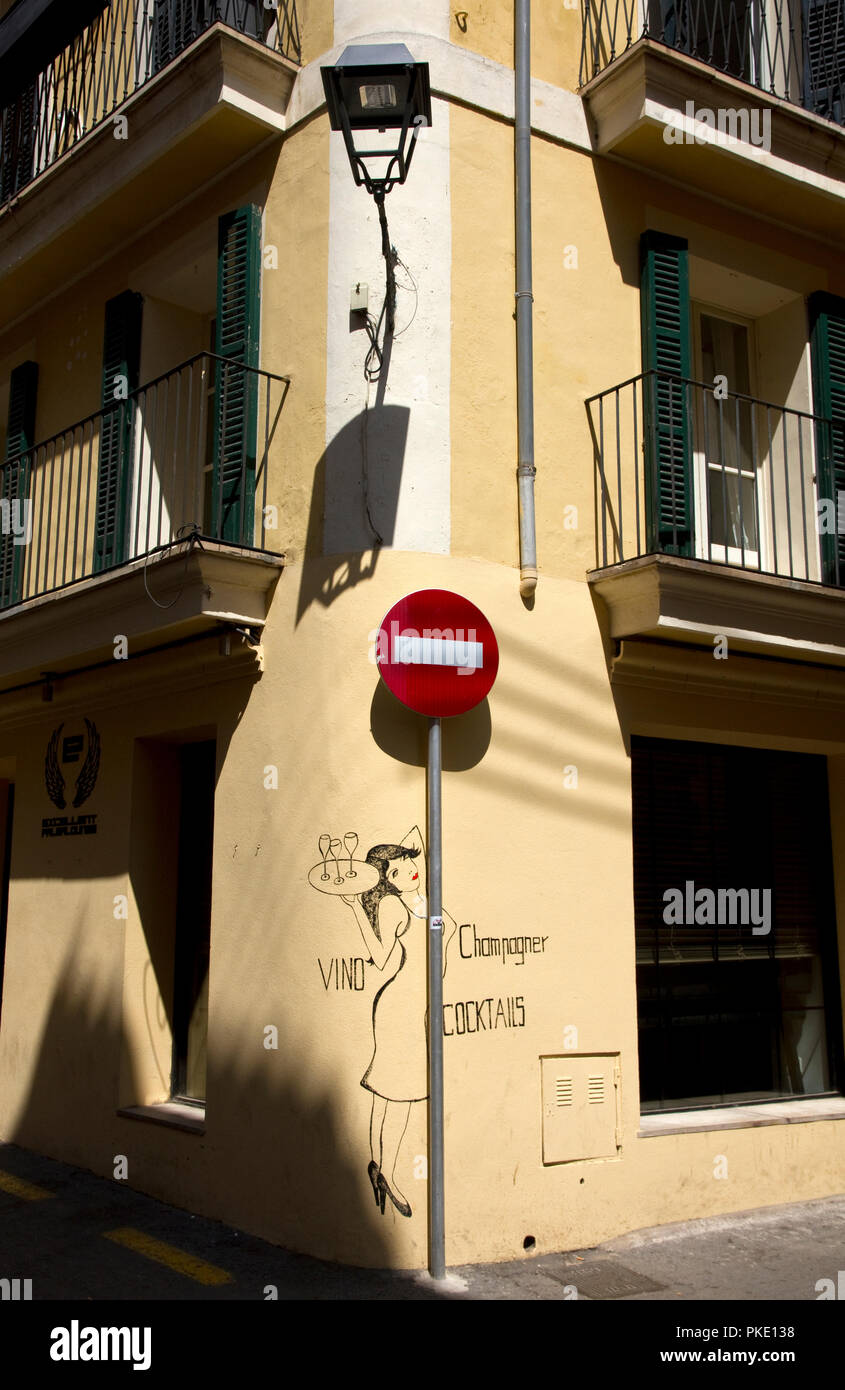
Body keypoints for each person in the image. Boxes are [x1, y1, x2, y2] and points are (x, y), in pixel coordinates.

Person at [341, 828, 455, 1218]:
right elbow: (384, 961)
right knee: (398, 1093)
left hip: (419, 1007)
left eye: (409, 860)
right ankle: (388, 1173)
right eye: (397, 868)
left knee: (391, 1094)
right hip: (398, 1008)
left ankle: (378, 1166)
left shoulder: (425, 903)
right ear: (385, 880)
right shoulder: (395, 909)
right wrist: (358, 909)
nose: (409, 868)